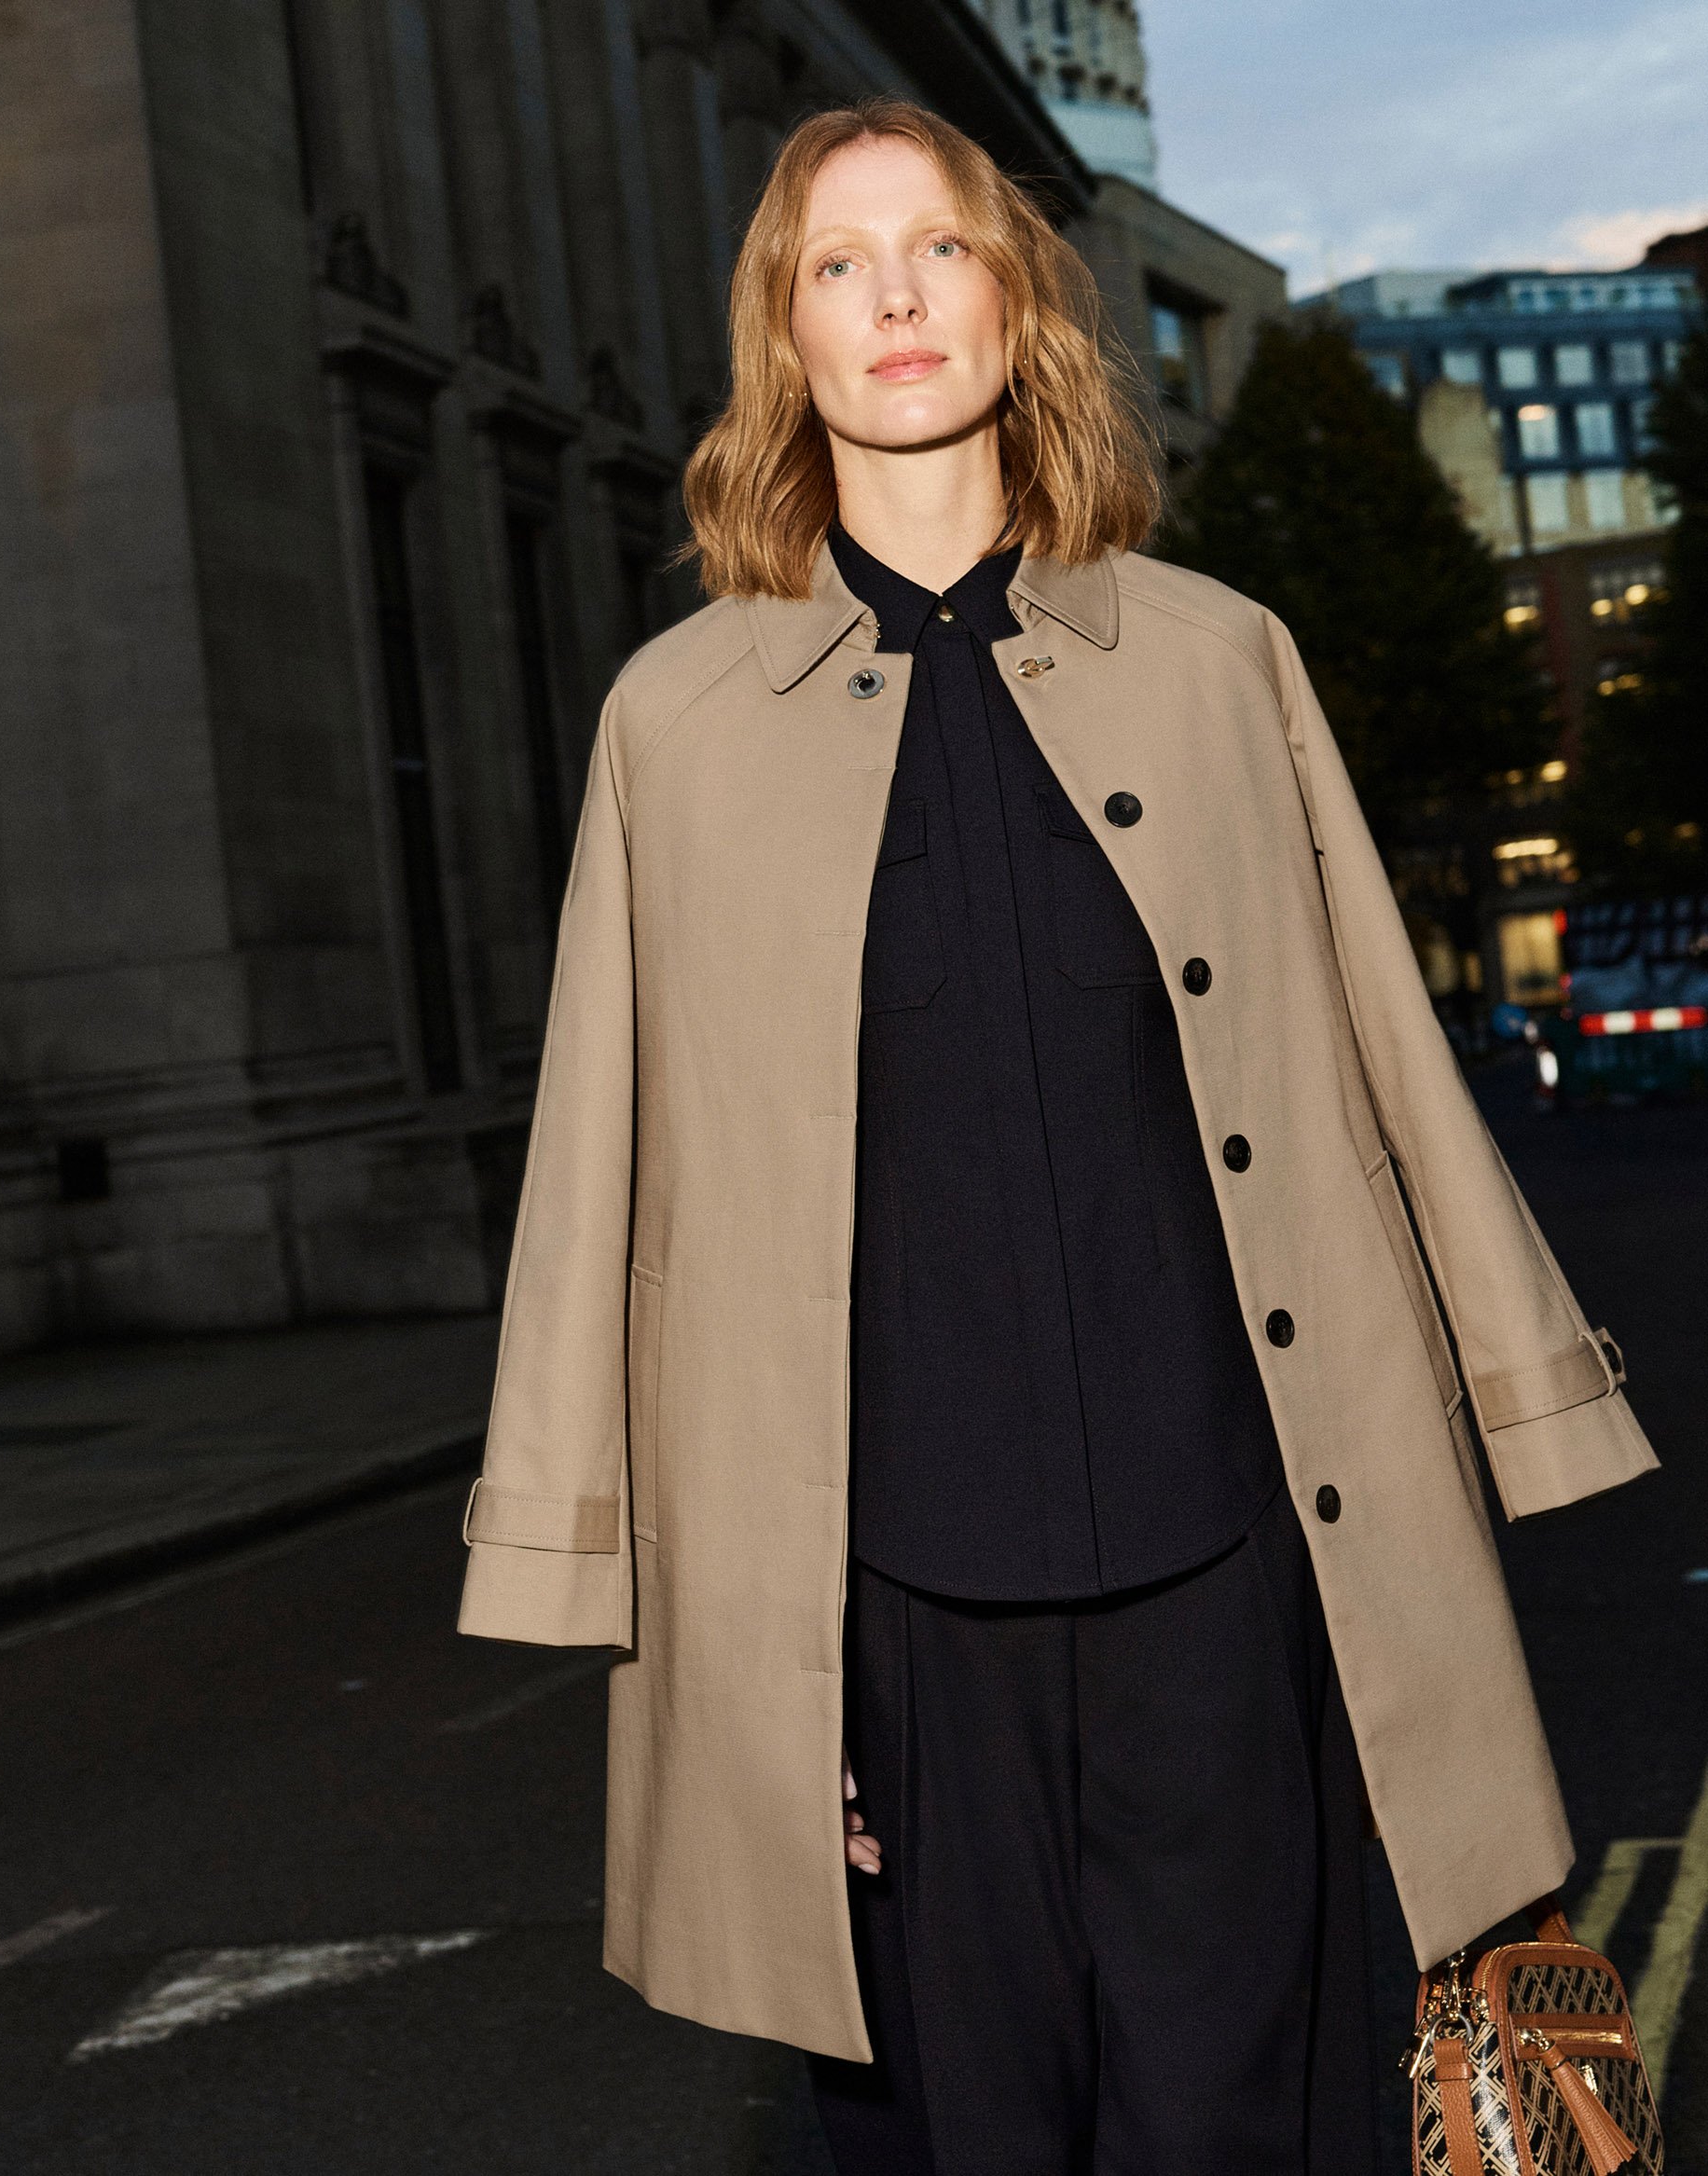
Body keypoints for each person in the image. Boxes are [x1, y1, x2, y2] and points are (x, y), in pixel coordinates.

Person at [455, 98, 1657, 2175]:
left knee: (1235, 2133)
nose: (898, 295)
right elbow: (599, 1196)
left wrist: (1522, 1414)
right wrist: (706, 1652)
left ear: (1020, 305)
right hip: (886, 1633)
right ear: (785, 338)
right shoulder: (674, 722)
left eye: (939, 247)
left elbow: (1383, 1069)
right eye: (838, 262)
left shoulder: (1218, 662)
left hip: (1229, 1581)